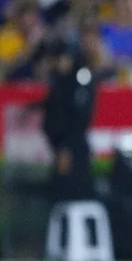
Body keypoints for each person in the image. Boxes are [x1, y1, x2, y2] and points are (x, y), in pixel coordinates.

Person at [42, 40, 97, 202]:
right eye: (58, 59)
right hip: (59, 144)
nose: (61, 63)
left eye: (65, 58)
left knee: (74, 189)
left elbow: (79, 117)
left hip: (72, 146)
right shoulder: (60, 79)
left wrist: (66, 147)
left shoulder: (81, 78)